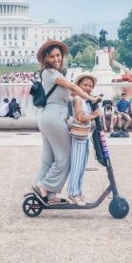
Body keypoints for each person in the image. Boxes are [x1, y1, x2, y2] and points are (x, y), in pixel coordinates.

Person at [32, 40, 100, 205]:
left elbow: (67, 95)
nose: (57, 59)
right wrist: (90, 97)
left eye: (58, 55)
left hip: (47, 117)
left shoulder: (50, 74)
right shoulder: (52, 73)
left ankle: (46, 195)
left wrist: (78, 100)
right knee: (65, 157)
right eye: (52, 56)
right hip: (55, 117)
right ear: (46, 58)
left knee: (49, 159)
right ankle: (44, 186)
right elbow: (73, 87)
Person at [66, 73, 101, 205]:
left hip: (84, 136)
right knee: (76, 165)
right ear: (78, 86)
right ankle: (72, 193)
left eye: (90, 86)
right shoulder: (77, 99)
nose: (87, 88)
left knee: (82, 166)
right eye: (85, 85)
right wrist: (94, 115)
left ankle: (79, 191)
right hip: (78, 137)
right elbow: (80, 117)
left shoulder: (86, 101)